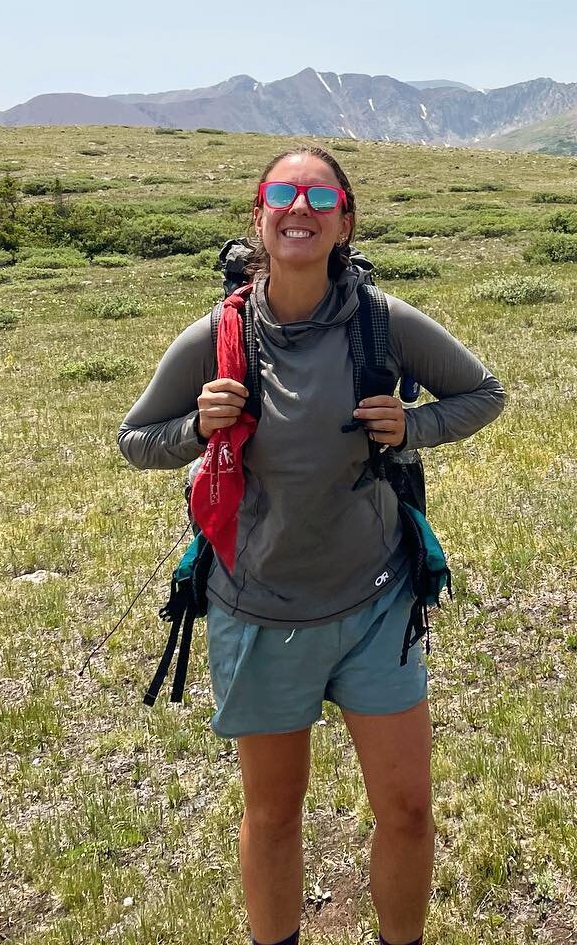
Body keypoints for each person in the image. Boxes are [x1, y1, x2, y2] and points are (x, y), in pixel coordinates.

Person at [118, 146, 506, 945]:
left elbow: (484, 394)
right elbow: (134, 439)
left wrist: (415, 428)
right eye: (283, 194)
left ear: (344, 220)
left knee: (407, 810)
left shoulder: (382, 322)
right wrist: (199, 426)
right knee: (273, 816)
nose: (301, 207)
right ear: (260, 218)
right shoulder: (218, 333)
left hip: (377, 604)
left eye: (318, 195)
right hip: (256, 609)